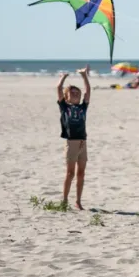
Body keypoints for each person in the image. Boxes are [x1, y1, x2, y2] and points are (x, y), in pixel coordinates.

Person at [57, 66, 91, 210]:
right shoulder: (65, 107)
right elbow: (58, 88)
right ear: (66, 97)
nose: (76, 95)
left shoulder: (83, 107)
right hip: (71, 144)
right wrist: (63, 77)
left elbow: (88, 91)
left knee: (81, 173)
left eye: (78, 93)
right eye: (73, 93)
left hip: (83, 143)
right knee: (70, 173)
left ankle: (78, 201)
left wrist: (84, 76)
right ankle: (64, 201)